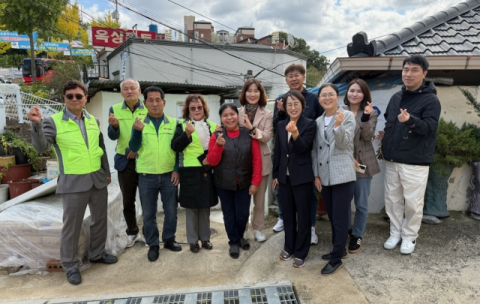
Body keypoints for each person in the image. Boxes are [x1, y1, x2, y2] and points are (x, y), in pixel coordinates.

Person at [29, 80, 117, 285]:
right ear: (64, 99)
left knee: (99, 221)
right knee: (72, 227)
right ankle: (70, 265)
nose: (75, 99)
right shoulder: (53, 121)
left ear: (86, 98)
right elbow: (41, 147)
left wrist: (106, 171)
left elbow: (100, 146)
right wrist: (36, 124)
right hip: (73, 182)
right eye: (70, 96)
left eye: (79, 96)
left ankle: (96, 254)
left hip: (97, 180)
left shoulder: (93, 120)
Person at [382, 55, 441, 255]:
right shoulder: (396, 97)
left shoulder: (431, 100)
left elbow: (429, 128)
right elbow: (389, 122)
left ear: (424, 73)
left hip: (415, 162)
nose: (408, 74)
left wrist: (410, 120)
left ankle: (409, 236)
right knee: (392, 200)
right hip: (392, 159)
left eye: (414, 70)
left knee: (413, 203)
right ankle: (395, 233)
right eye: (406, 69)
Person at [272, 64, 324, 245]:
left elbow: (320, 122)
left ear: (303, 77)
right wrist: (280, 112)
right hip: (287, 154)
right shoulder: (281, 99)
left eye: (297, 75)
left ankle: (310, 228)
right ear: (286, 80)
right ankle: (284, 220)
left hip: (306, 153)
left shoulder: (314, 99)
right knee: (285, 195)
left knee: (307, 197)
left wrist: (298, 132)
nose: (293, 79)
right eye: (290, 76)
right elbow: (277, 126)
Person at [129, 86, 181, 262]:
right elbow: (134, 148)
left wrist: (176, 170)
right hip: (146, 176)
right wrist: (136, 131)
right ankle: (152, 244)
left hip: (169, 175)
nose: (154, 103)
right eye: (150, 100)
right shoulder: (139, 123)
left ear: (164, 102)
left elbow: (178, 150)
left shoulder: (174, 123)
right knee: (149, 213)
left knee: (171, 211)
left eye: (158, 100)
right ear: (145, 103)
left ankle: (169, 239)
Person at [207, 103, 262, 259]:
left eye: (232, 114)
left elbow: (257, 160)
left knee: (242, 214)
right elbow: (212, 161)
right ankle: (234, 242)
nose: (229, 117)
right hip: (223, 183)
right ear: (221, 119)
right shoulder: (216, 135)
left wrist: (255, 182)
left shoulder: (248, 134)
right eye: (225, 115)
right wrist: (218, 145)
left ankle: (239, 237)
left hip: (244, 182)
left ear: (237, 116)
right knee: (229, 214)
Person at [312, 83, 356, 275]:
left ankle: (337, 257)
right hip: (325, 176)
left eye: (331, 94)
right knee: (333, 217)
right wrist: (316, 174)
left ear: (337, 97)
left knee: (340, 218)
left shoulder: (347, 116)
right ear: (319, 99)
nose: (327, 98)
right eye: (323, 95)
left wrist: (338, 127)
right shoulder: (317, 121)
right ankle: (338, 249)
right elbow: (315, 150)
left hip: (343, 174)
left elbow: (345, 144)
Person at [272, 90, 316, 268]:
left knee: (303, 215)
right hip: (284, 177)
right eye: (289, 105)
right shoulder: (281, 124)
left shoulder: (310, 124)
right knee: (288, 215)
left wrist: (296, 133)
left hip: (302, 177)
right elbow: (279, 152)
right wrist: (276, 175)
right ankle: (288, 247)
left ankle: (301, 251)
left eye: (296, 104)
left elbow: (304, 148)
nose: (293, 107)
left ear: (303, 105)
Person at [171, 94, 217, 253]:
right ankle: (192, 241)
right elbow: (175, 147)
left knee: (205, 207)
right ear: (187, 110)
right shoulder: (182, 125)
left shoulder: (212, 126)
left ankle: (205, 238)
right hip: (189, 171)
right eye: (193, 108)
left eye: (199, 107)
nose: (197, 110)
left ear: (204, 108)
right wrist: (187, 134)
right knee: (191, 208)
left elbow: (216, 150)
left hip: (206, 170)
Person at [108, 78, 147, 248]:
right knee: (128, 201)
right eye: (126, 89)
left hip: (145, 160)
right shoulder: (115, 109)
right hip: (125, 162)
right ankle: (132, 233)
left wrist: (137, 149)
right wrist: (114, 127)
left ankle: (149, 234)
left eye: (133, 88)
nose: (130, 91)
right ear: (121, 92)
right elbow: (112, 136)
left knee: (147, 200)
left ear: (139, 91)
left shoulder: (149, 109)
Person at [343, 79, 381, 254]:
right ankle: (346, 231)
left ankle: (357, 234)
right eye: (352, 90)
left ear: (365, 95)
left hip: (363, 163)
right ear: (347, 93)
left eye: (359, 91)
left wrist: (365, 116)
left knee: (361, 203)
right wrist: (348, 158)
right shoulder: (340, 112)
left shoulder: (371, 113)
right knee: (343, 202)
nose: (354, 94)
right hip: (343, 162)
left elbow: (367, 137)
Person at [238, 79, 273, 242]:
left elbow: (266, 137)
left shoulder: (267, 114)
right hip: (241, 162)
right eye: (249, 91)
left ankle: (258, 228)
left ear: (261, 94)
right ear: (244, 93)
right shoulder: (236, 112)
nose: (252, 94)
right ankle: (243, 228)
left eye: (256, 91)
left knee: (259, 200)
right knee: (242, 199)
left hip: (261, 162)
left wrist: (251, 127)